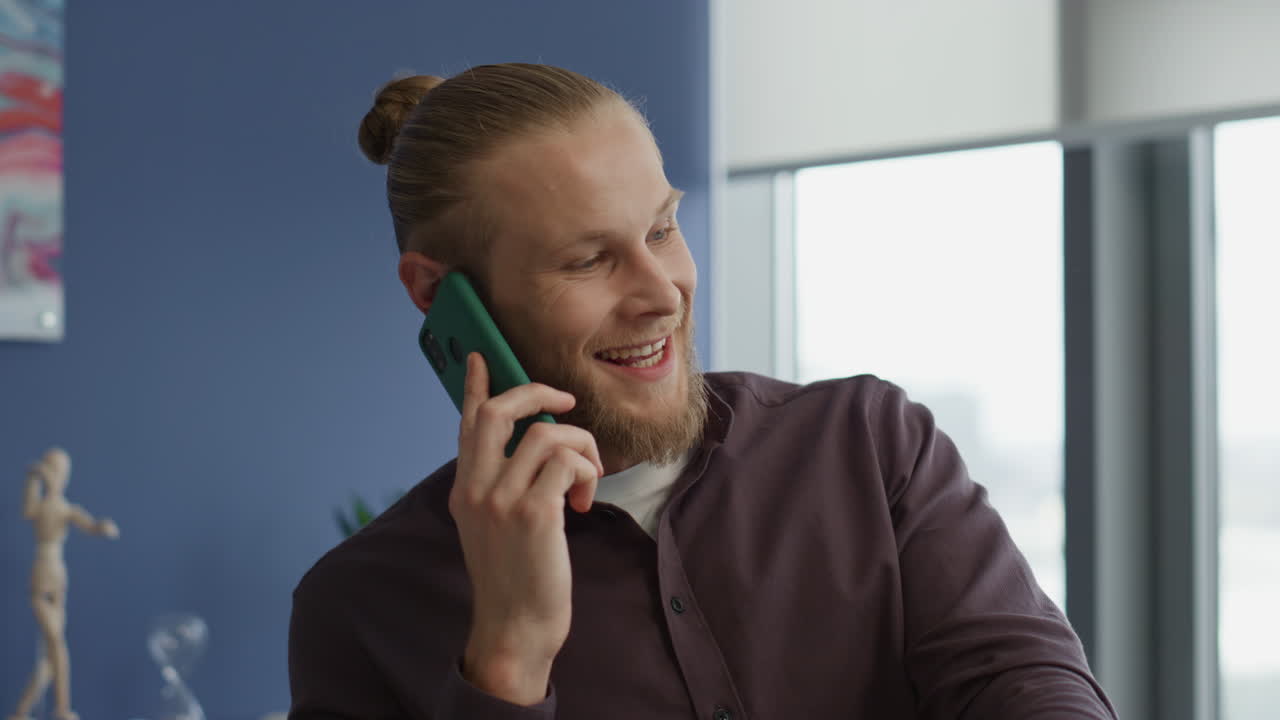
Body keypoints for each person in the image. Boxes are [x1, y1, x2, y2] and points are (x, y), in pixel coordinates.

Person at [287, 63, 1116, 719]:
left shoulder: (871, 445)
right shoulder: (360, 607)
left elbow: (1026, 685)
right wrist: (508, 658)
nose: (662, 291)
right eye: (587, 259)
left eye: (660, 229)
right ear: (439, 297)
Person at [10, 447, 119, 720]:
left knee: (49, 660)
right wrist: (34, 477)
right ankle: (61, 709)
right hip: (41, 573)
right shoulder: (40, 506)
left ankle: (24, 710)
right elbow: (27, 509)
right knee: (56, 645)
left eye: (59, 471)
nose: (55, 475)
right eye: (52, 468)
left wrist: (102, 527)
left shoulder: (66, 509)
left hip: (58, 577)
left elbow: (89, 524)